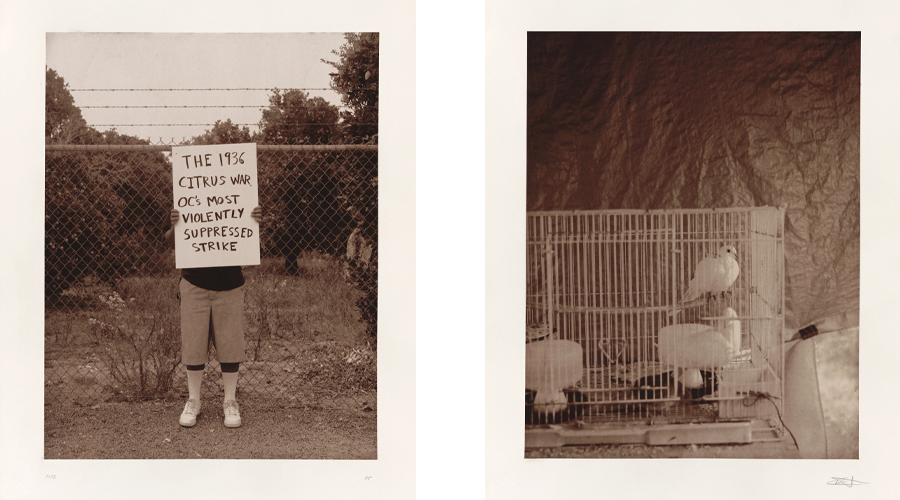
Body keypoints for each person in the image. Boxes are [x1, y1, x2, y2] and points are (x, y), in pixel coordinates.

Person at [164, 205, 262, 428]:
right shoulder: (186, 193)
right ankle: (193, 400)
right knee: (194, 341)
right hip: (193, 282)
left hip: (230, 284)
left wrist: (253, 220)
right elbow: (171, 242)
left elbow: (248, 239)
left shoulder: (238, 192)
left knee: (230, 343)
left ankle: (230, 400)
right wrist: (174, 225)